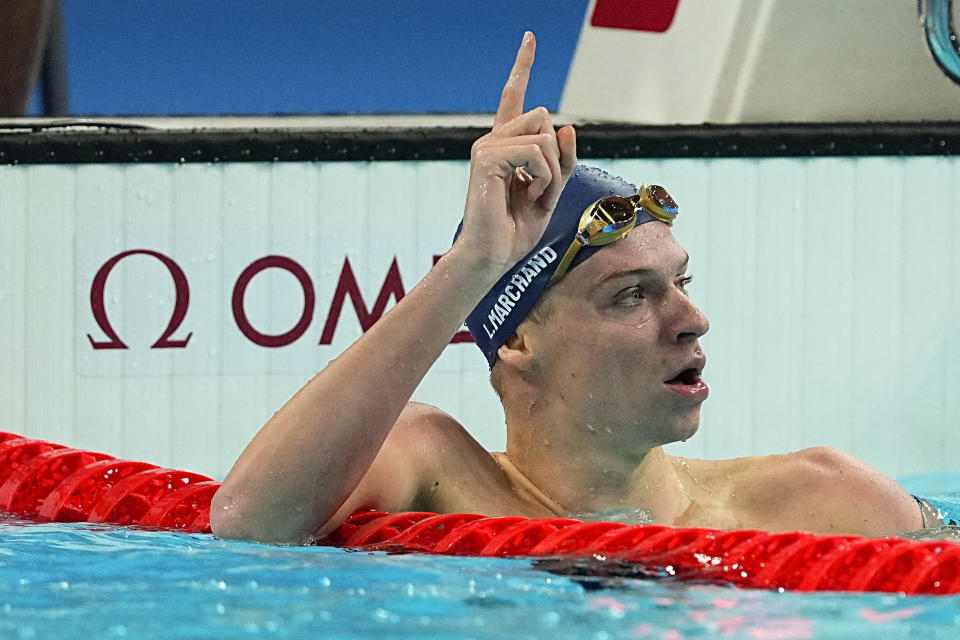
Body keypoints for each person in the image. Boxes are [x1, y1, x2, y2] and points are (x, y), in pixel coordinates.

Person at [210, 32, 925, 546]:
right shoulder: (432, 468)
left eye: (680, 282)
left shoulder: (823, 497)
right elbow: (250, 522)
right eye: (632, 296)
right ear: (518, 339)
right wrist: (474, 263)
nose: (692, 320)